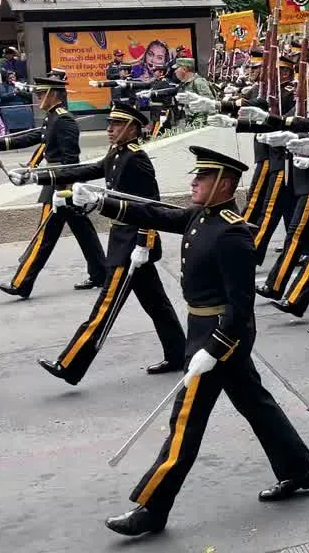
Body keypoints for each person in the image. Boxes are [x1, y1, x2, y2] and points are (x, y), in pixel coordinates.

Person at [69, 146, 309, 537]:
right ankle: (298, 468)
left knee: (184, 421)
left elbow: (241, 307)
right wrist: (103, 202)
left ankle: (152, 506)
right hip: (203, 329)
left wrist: (215, 348)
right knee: (255, 402)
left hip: (221, 334)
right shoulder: (202, 218)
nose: (193, 183)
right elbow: (157, 213)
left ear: (225, 184)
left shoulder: (233, 233)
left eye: (201, 178)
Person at [20, 103, 187, 384]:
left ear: (133, 129)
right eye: (109, 124)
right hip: (123, 241)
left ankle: (70, 364)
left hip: (133, 244)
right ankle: (178, 353)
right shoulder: (117, 153)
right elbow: (88, 170)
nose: (109, 130)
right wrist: (38, 177)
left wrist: (144, 244)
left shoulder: (137, 159)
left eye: (116, 125)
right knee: (157, 304)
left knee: (104, 308)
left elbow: (150, 206)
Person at [0, 72, 107, 296]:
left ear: (54, 95)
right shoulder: (53, 117)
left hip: (61, 185)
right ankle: (101, 273)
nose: (39, 97)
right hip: (58, 182)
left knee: (45, 236)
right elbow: (34, 138)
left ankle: (22, 283)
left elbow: (71, 160)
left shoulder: (64, 120)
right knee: (83, 231)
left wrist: (63, 190)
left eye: (42, 93)